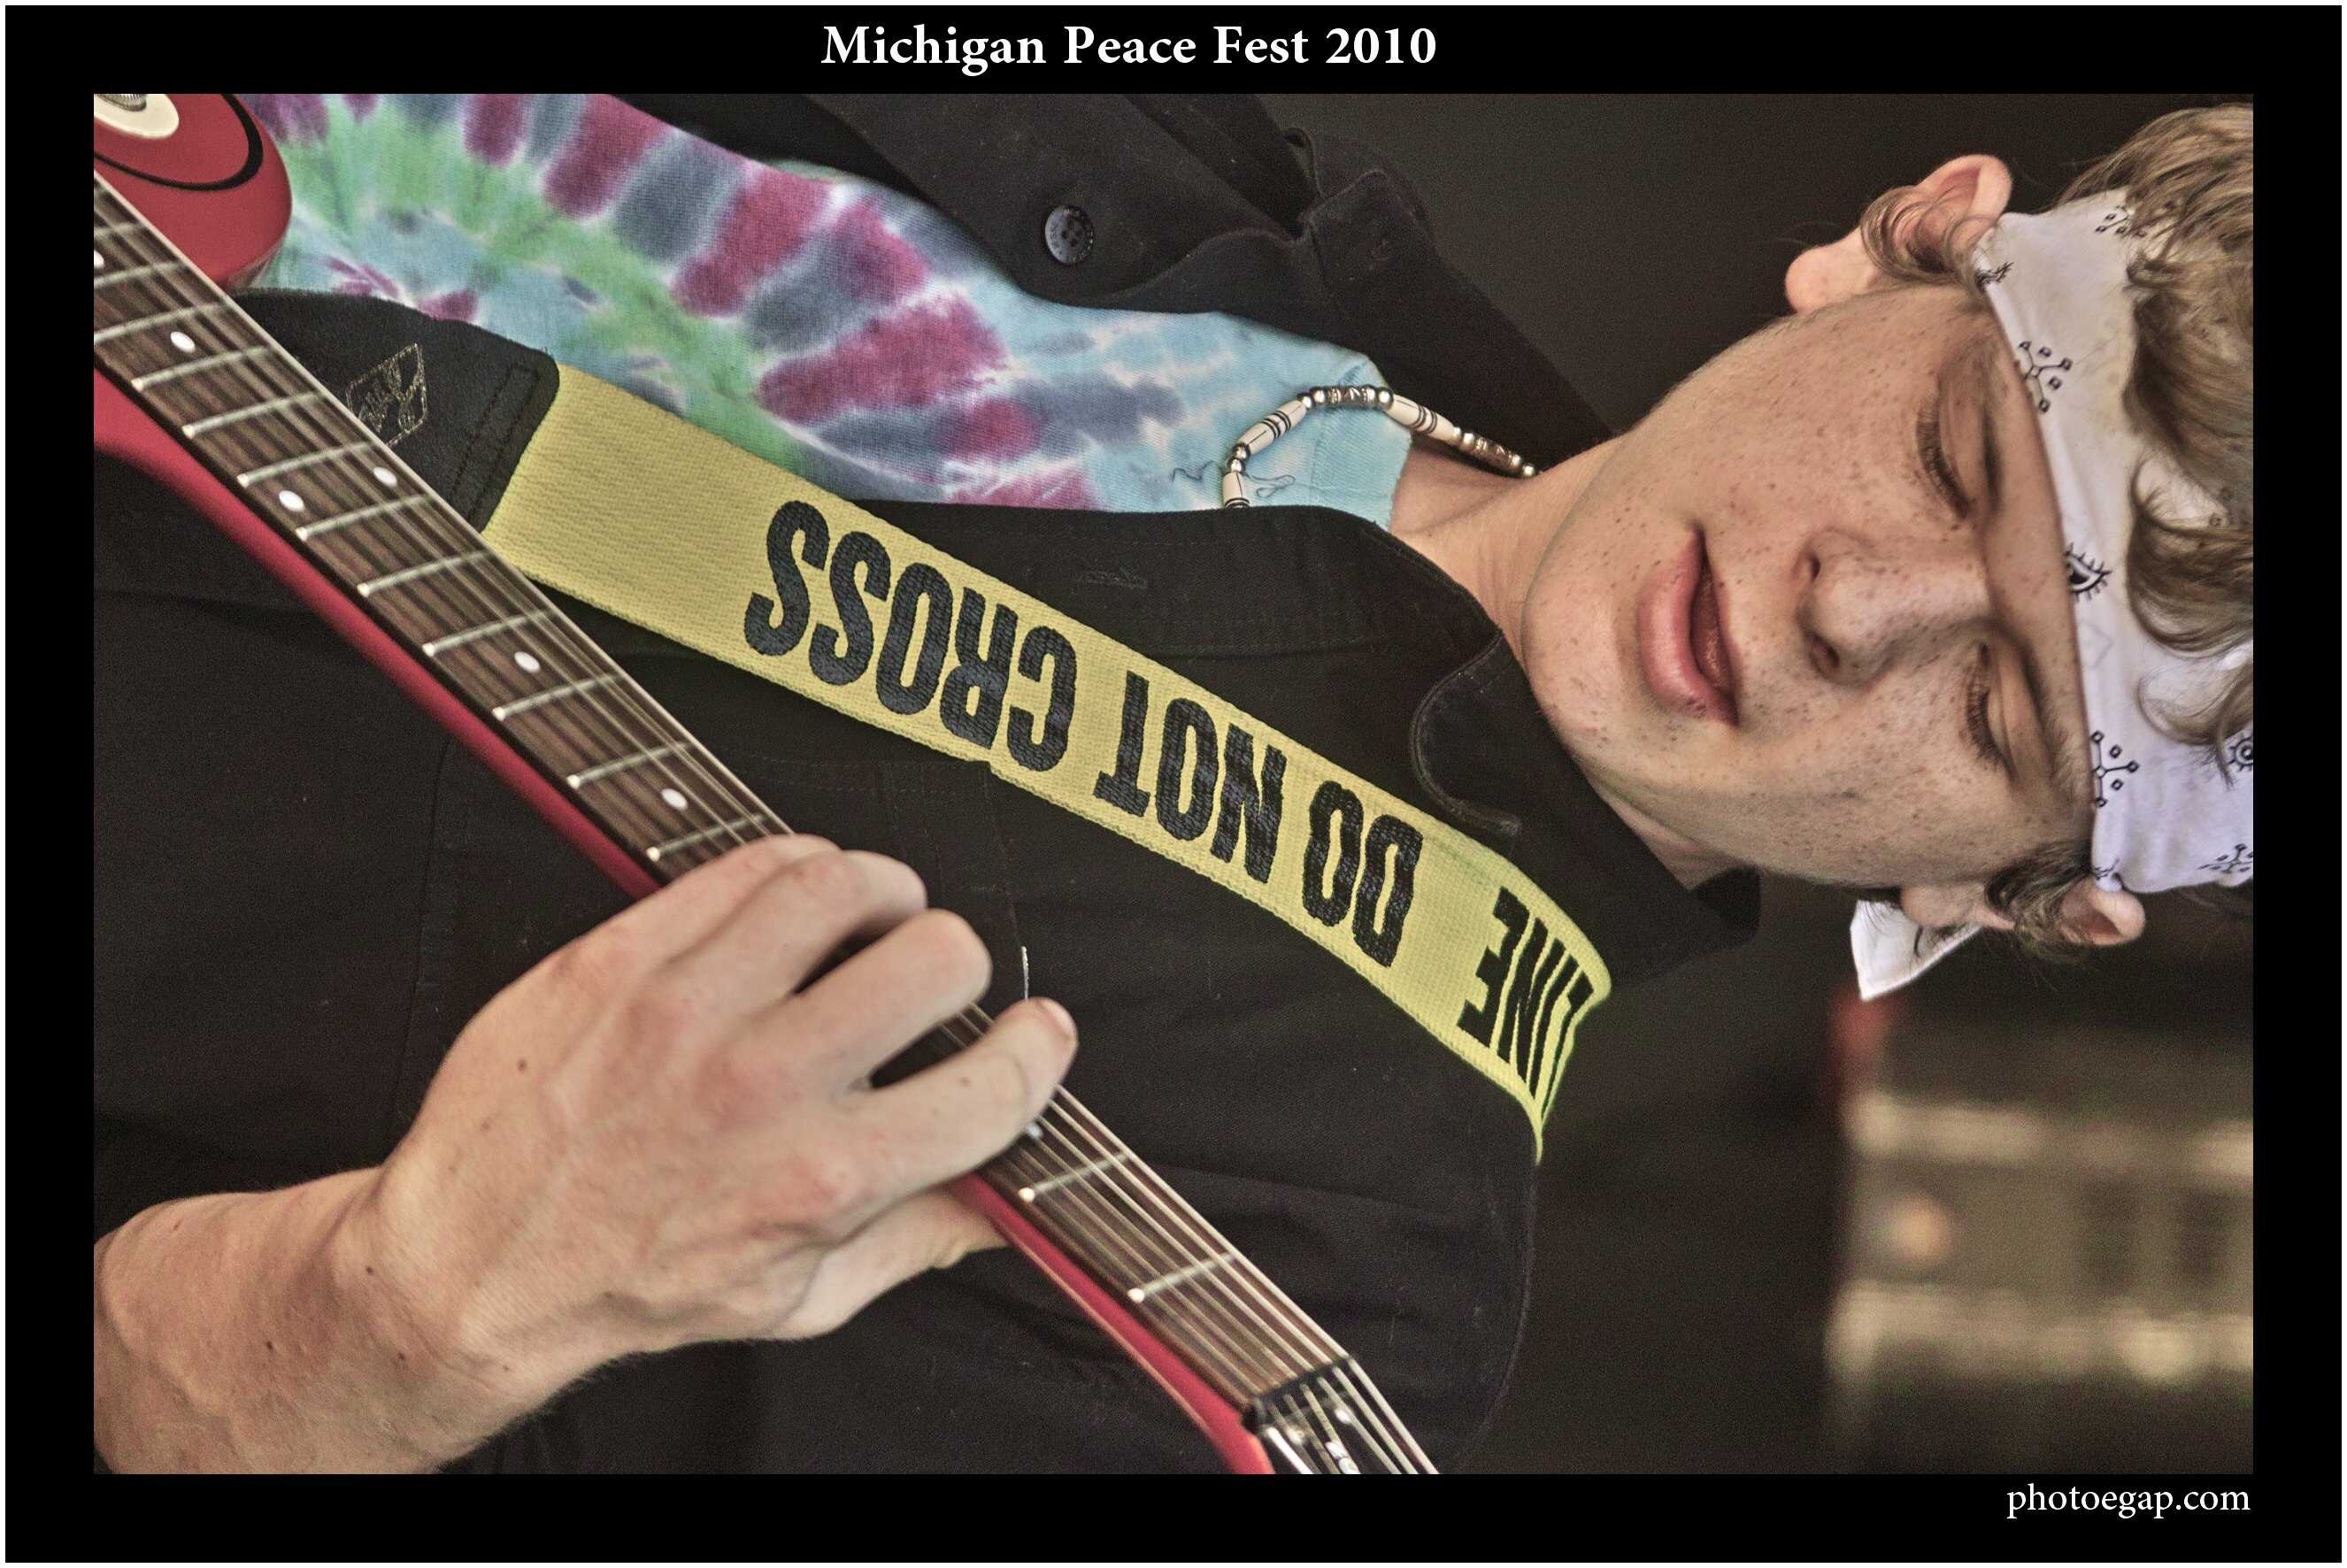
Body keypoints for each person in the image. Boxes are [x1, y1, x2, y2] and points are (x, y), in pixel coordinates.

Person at [94, 94, 2251, 1472]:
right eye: (1951, 456)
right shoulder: (1236, 197)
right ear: (1907, 240)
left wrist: (410, 1313)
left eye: (2001, 714)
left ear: (2012, 893)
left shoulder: (1319, 1294)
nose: (1854, 609)